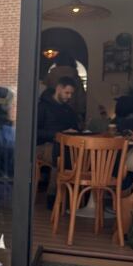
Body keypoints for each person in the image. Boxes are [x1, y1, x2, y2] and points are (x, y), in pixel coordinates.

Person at [36, 77, 79, 207]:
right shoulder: (42, 107)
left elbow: (76, 128)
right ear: (58, 89)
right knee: (60, 153)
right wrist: (57, 134)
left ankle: (71, 196)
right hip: (44, 145)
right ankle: (53, 196)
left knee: (76, 153)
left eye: (71, 93)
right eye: (67, 93)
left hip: (63, 146)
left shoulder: (69, 110)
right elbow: (34, 131)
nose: (69, 96)